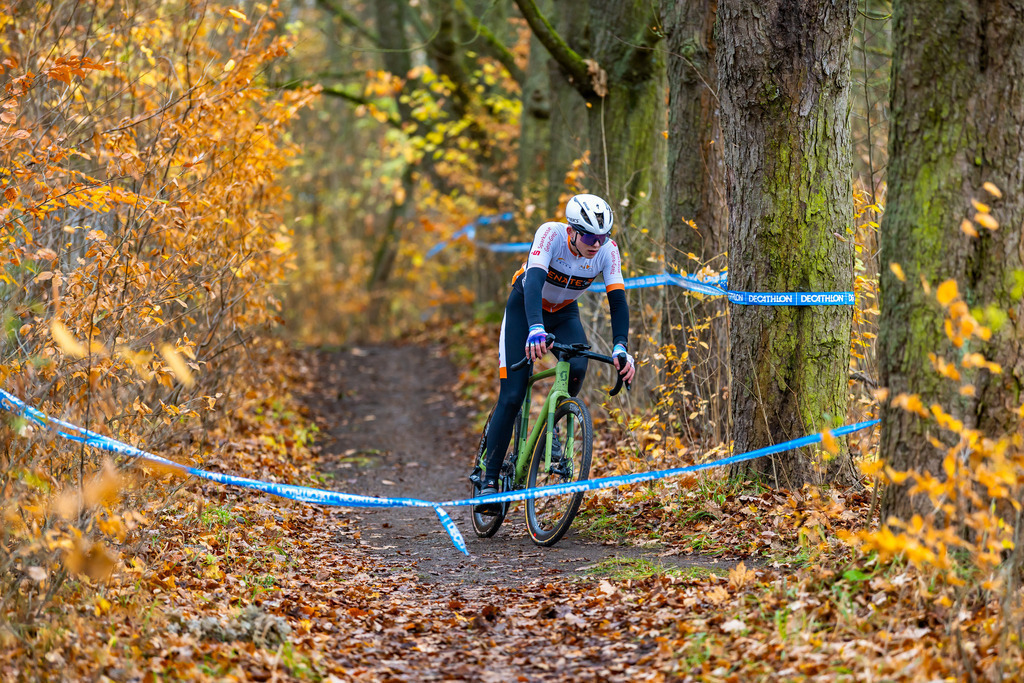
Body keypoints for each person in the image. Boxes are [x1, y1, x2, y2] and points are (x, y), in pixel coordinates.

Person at [474, 193, 635, 515]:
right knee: (513, 393)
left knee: (578, 366)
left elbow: (617, 301)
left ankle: (555, 422)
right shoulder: (550, 234)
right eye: (589, 236)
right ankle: (489, 481)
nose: (596, 244)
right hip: (525, 308)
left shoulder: (608, 251)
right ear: (572, 231)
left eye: (602, 237)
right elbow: (533, 282)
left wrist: (621, 346)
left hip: (563, 313)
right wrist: (535, 328)